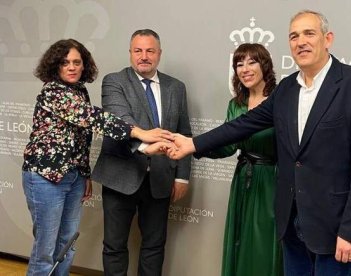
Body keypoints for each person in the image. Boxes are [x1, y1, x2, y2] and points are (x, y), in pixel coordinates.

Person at [168, 10, 351, 276]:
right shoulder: (286, 89)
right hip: (291, 224)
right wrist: (192, 144)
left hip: (335, 227)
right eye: (294, 36)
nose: (300, 41)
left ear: (327, 39)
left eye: (309, 33)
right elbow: (243, 124)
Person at [22, 38, 170, 276]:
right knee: (45, 251)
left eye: (76, 62)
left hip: (73, 177)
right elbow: (93, 118)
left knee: (67, 246)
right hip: (45, 178)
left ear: (84, 65)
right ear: (54, 65)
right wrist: (139, 133)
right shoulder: (53, 91)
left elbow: (81, 139)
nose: (71, 67)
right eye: (65, 62)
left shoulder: (79, 90)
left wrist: (84, 173)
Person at [91, 29, 192, 276]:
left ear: (159, 54)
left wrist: (181, 176)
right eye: (138, 50)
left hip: (160, 179)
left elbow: (184, 132)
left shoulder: (176, 87)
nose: (144, 56)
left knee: (154, 246)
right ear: (130, 53)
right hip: (120, 177)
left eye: (150, 50)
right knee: (114, 246)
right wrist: (146, 146)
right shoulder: (114, 81)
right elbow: (120, 120)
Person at [201, 43, 282, 276]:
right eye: (239, 64)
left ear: (264, 65)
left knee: (264, 245)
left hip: (271, 182)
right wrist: (189, 148)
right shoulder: (235, 105)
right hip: (243, 179)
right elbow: (226, 145)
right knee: (239, 241)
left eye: (251, 62)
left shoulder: (279, 100)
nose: (244, 69)